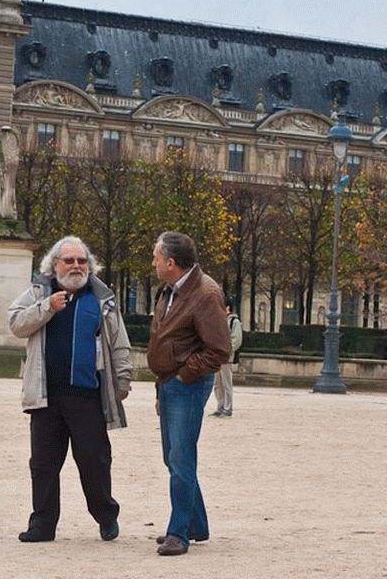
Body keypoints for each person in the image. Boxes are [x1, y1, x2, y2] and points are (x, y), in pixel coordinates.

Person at [8, 236, 131, 543]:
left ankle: (106, 516)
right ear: (54, 265)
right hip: (46, 394)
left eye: (81, 261)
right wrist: (46, 308)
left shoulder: (101, 298)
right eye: (69, 261)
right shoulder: (40, 292)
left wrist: (124, 379)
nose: (76, 266)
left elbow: (119, 342)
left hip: (87, 394)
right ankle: (42, 525)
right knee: (43, 464)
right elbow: (15, 323)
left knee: (95, 460)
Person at [147, 231, 230, 556]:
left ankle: (178, 533)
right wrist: (163, 385)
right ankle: (196, 525)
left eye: (156, 257)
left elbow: (220, 349)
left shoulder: (206, 293)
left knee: (181, 459)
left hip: (187, 385)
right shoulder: (169, 290)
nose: (153, 261)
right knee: (174, 458)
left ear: (171, 262)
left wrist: (183, 376)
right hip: (171, 382)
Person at [211, 294, 243, 418]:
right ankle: (220, 406)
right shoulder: (219, 320)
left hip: (225, 357)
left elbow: (237, 340)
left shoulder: (234, 322)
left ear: (227, 308)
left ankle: (228, 408)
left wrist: (227, 350)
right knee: (217, 384)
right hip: (217, 356)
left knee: (226, 383)